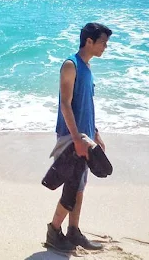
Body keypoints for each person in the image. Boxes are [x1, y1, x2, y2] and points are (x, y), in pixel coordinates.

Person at [45, 22, 112, 252]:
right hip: (70, 137)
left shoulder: (87, 67)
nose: (105, 46)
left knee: (80, 186)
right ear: (89, 41)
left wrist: (95, 133)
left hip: (85, 136)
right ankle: (54, 231)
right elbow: (65, 104)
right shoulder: (70, 65)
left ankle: (73, 231)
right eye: (103, 42)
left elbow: (86, 105)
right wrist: (76, 139)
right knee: (71, 186)